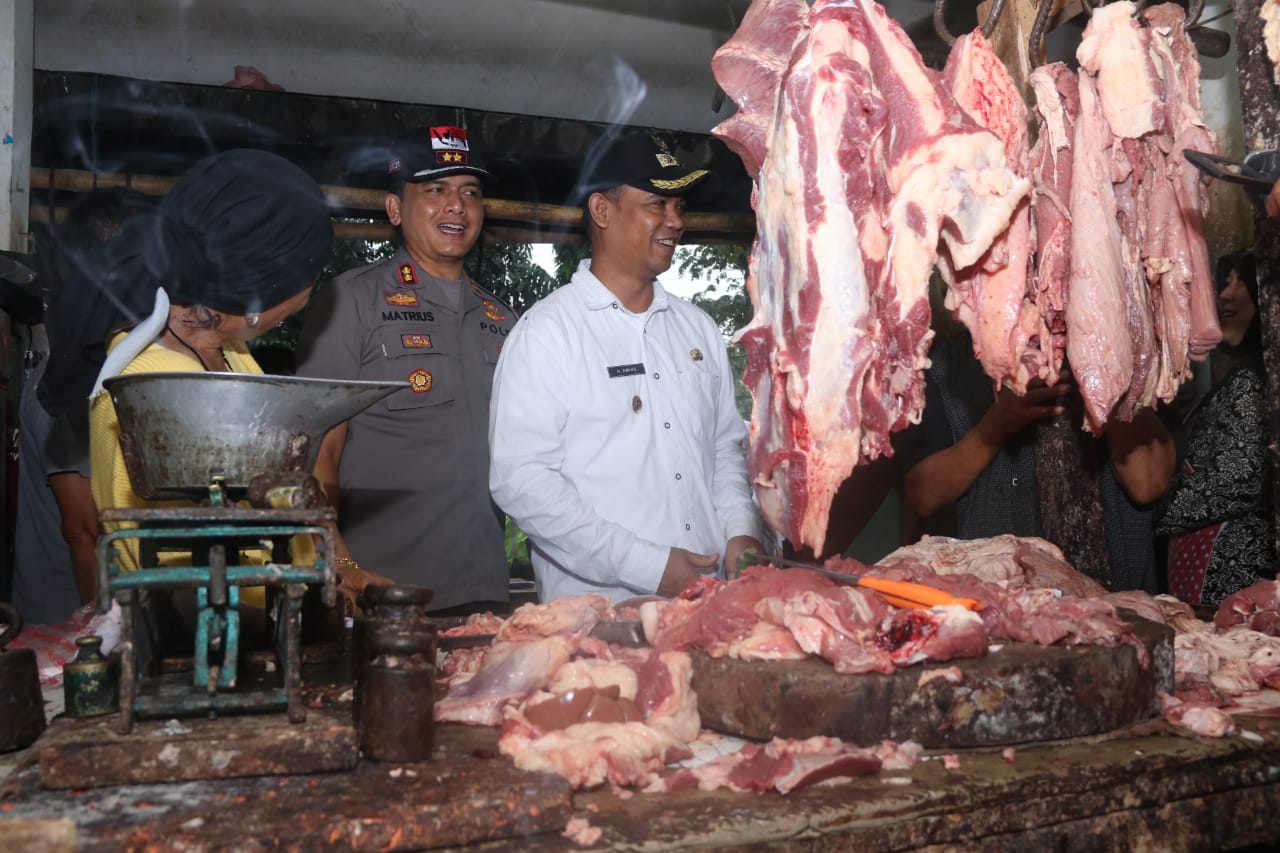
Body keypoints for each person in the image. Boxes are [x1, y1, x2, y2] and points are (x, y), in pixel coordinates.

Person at [68, 150, 365, 593]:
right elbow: (199, 580)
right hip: (216, 634)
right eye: (312, 271)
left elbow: (298, 498)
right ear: (264, 285)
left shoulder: (226, 354)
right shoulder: (160, 387)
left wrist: (346, 572)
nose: (313, 287)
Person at [488, 131, 765, 603]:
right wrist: (648, 566)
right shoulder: (548, 333)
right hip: (600, 620)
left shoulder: (696, 329)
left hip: (709, 606)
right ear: (602, 211)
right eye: (657, 204)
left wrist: (740, 530)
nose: (675, 221)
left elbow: (724, 449)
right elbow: (523, 482)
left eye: (679, 207)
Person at [295, 126, 515, 614]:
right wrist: (342, 570)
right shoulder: (351, 302)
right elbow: (312, 452)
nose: (456, 206)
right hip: (379, 597)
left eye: (470, 193)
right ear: (394, 208)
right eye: (435, 190)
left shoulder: (504, 320)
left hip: (486, 595)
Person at [900, 327, 1175, 592]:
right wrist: (995, 426)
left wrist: (1105, 374)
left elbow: (1148, 483)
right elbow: (924, 495)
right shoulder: (944, 368)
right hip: (1005, 606)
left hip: (1119, 606)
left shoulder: (1128, 352)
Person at [11, 189, 154, 623]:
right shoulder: (70, 380)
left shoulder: (118, 363)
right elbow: (84, 532)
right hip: (64, 623)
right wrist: (107, 636)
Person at [1156, 251, 1275, 605]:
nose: (1225, 295)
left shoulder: (1253, 382)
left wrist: (1148, 506)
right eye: (1224, 283)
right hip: (1208, 572)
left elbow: (1238, 480)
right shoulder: (1236, 379)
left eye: (1243, 283)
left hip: (1233, 578)